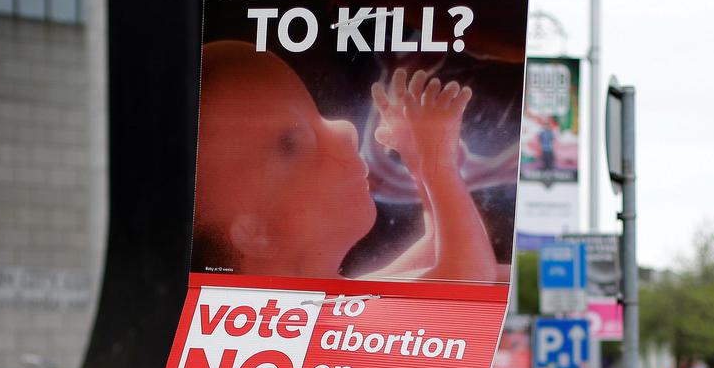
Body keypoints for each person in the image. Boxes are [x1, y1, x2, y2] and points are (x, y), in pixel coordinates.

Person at [191, 41, 497, 283]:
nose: (346, 130)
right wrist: (438, 166)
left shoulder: (332, 296)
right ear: (255, 232)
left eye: (317, 113)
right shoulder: (310, 319)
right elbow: (472, 279)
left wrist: (420, 167)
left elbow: (436, 253)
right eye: (293, 145)